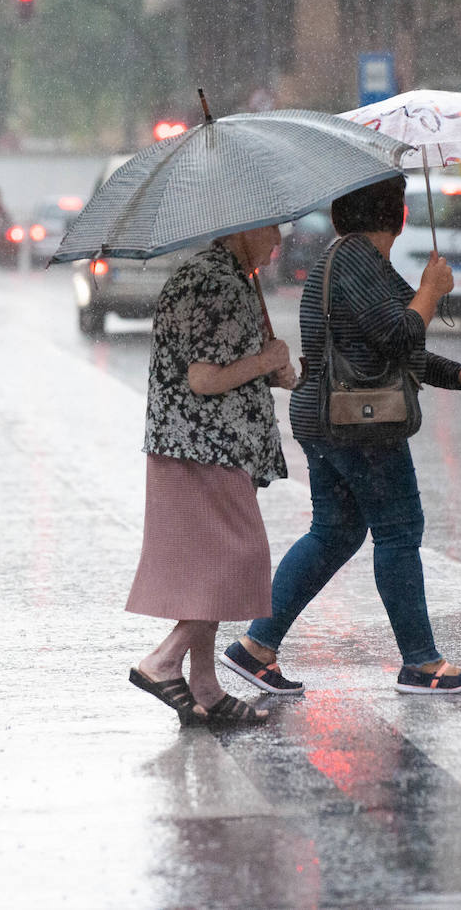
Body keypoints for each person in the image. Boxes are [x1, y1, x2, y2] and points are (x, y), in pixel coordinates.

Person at [220, 176, 461, 696]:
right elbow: (399, 332)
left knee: (337, 531)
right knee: (398, 529)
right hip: (357, 422)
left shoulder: (356, 260)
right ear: (397, 215)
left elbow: (396, 345)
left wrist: (456, 373)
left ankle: (256, 648)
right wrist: (432, 292)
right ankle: (422, 663)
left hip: (334, 417)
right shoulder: (353, 261)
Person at [127, 224, 298, 726]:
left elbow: (218, 361)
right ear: (244, 227)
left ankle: (203, 684)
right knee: (238, 560)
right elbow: (204, 379)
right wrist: (265, 360)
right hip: (202, 446)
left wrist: (272, 370)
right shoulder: (214, 281)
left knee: (208, 570)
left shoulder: (231, 276)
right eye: (272, 229)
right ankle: (163, 661)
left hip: (201, 445)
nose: (278, 242)